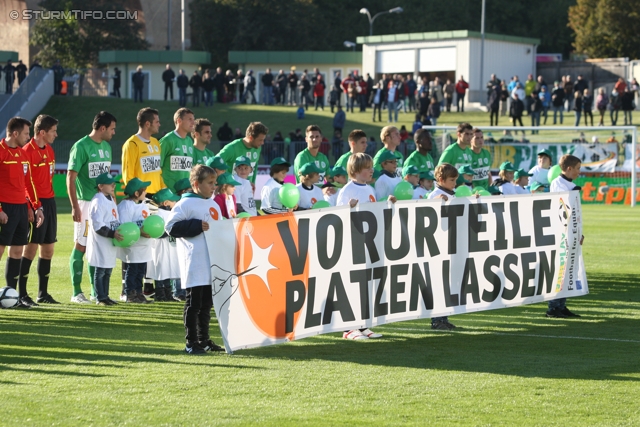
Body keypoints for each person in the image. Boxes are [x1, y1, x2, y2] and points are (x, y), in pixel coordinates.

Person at [166, 164, 225, 354]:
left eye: (215, 183)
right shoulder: (185, 204)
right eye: (210, 183)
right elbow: (171, 227)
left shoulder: (213, 203)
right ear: (195, 184)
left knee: (207, 305)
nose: (213, 186)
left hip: (211, 262)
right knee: (194, 304)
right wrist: (197, 225)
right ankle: (191, 343)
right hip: (194, 262)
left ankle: (204, 340)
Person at [337, 152, 394, 340]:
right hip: (353, 245)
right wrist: (349, 209)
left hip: (369, 243)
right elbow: (337, 218)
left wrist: (388, 205)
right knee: (353, 285)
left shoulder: (369, 189)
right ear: (357, 170)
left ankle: (363, 325)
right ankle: (348, 328)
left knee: (367, 285)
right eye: (368, 168)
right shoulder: (347, 190)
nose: (372, 170)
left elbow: (374, 214)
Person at [67, 111, 117, 304]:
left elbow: (107, 180)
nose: (114, 132)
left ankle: (96, 292)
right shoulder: (80, 147)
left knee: (97, 246)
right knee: (82, 244)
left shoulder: (106, 147)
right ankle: (76, 292)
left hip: (104, 203)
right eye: (112, 128)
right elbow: (70, 178)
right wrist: (74, 207)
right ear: (102, 128)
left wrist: (113, 203)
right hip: (86, 203)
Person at [0, 117, 44, 305]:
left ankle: (12, 296)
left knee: (17, 252)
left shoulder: (23, 154)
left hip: (20, 208)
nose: (29, 137)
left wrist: (33, 206)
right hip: (5, 209)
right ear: (15, 133)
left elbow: (28, 183)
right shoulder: (1, 151)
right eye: (27, 133)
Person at [19, 115, 60, 306]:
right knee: (30, 249)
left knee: (48, 250)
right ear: (42, 132)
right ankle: (22, 294)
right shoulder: (27, 151)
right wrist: (32, 206)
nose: (56, 135)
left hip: (50, 202)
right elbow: (26, 184)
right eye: (53, 131)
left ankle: (43, 293)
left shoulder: (50, 151)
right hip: (36, 203)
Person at [547, 154, 583, 319]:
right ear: (569, 168)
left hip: (571, 232)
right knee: (559, 270)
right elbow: (561, 205)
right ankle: (553, 307)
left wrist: (578, 233)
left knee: (568, 269)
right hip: (560, 233)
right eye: (577, 169)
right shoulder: (558, 183)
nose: (578, 172)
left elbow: (575, 213)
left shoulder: (570, 184)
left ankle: (561, 305)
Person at [427, 163, 459, 330]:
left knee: (447, 285)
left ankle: (443, 317)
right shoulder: (435, 195)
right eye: (452, 180)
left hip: (450, 245)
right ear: (441, 180)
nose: (455, 183)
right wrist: (436, 203)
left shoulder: (451, 194)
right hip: (438, 248)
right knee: (439, 285)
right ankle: (437, 320)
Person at [86, 173, 123, 306]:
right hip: (101, 242)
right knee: (100, 270)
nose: (113, 185)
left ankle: (105, 296)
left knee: (108, 270)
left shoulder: (110, 199)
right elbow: (98, 226)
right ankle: (100, 297)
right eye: (110, 183)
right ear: (100, 186)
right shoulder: (98, 201)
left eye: (113, 183)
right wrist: (112, 234)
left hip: (110, 242)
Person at [117, 178, 153, 303]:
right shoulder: (125, 206)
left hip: (143, 245)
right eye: (144, 191)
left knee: (141, 270)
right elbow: (125, 226)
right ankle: (130, 294)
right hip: (133, 245)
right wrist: (140, 231)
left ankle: (139, 293)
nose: (146, 193)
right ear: (137, 194)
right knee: (133, 270)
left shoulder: (143, 205)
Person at [147, 188, 181, 302]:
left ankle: (168, 292)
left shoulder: (172, 213)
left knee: (168, 269)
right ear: (165, 203)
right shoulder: (158, 214)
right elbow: (156, 233)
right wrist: (170, 231)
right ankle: (160, 293)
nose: (175, 202)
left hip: (169, 245)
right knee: (161, 268)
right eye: (173, 201)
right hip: (160, 246)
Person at [122, 108, 164, 198]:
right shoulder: (132, 144)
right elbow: (128, 175)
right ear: (147, 124)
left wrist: (163, 190)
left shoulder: (155, 142)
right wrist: (136, 195)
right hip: (141, 195)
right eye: (157, 122)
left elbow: (158, 171)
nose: (159, 125)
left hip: (157, 196)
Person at [159, 108, 195, 191]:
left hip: (185, 194)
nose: (193, 123)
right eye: (190, 119)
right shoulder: (167, 140)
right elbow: (157, 168)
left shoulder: (189, 141)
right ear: (179, 121)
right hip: (169, 194)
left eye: (193, 119)